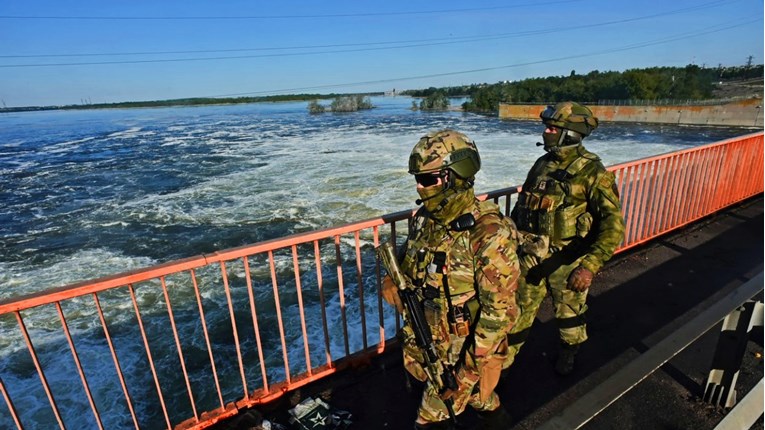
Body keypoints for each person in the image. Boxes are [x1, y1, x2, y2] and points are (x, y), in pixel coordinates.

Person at [381, 129, 520, 429]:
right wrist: (392, 279)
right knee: (481, 400)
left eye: (428, 180)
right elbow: (409, 264)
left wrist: (464, 375)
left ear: (456, 176)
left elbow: (499, 315)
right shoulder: (426, 221)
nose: (420, 188)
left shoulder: (488, 233)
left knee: (429, 420)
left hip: (463, 356)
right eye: (417, 179)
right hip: (427, 342)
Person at [506, 102, 625, 376]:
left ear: (570, 134)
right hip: (531, 257)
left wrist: (590, 266)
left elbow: (613, 225)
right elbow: (523, 205)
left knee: (569, 316)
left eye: (552, 128)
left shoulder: (593, 172)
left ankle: (569, 354)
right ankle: (503, 366)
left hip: (567, 262)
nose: (546, 132)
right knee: (518, 312)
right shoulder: (542, 164)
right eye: (547, 127)